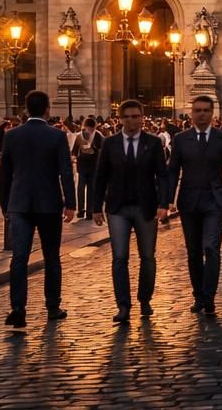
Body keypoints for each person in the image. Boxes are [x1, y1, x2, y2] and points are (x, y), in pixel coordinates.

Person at [0, 90, 76, 328]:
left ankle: (18, 308)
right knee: (51, 257)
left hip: (19, 205)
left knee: (19, 258)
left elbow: (5, 174)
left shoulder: (11, 136)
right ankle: (52, 306)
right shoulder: (57, 136)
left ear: (25, 109)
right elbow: (65, 172)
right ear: (47, 109)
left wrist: (5, 205)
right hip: (49, 203)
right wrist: (71, 203)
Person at [91, 99, 168, 323]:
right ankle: (123, 305)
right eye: (127, 116)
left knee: (148, 256)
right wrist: (96, 207)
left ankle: (145, 299)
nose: (132, 120)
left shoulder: (153, 143)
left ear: (142, 117)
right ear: (120, 118)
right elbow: (101, 175)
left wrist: (164, 203)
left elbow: (161, 175)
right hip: (118, 207)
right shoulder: (109, 143)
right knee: (119, 256)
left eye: (136, 116)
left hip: (145, 206)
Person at [164, 95, 222, 317]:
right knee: (193, 252)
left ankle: (210, 295)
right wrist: (168, 200)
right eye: (198, 110)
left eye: (206, 110)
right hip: (189, 200)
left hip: (214, 200)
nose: (202, 114)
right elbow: (173, 169)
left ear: (212, 113)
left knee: (211, 248)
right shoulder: (181, 139)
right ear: (191, 113)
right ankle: (198, 294)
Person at [72, 118, 103, 220]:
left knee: (91, 189)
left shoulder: (98, 136)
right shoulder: (79, 136)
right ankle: (81, 210)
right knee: (80, 187)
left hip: (94, 165)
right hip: (82, 165)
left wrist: (93, 149)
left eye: (91, 129)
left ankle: (90, 211)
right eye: (87, 128)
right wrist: (74, 156)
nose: (89, 131)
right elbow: (74, 150)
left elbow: (102, 150)